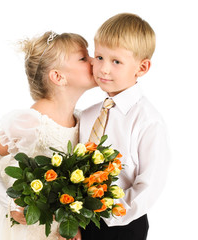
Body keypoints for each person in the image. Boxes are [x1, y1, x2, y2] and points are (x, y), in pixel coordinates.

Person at [0, 31, 96, 240]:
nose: (94, 61)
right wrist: (10, 203)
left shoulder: (79, 118)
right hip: (27, 227)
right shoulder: (32, 121)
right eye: (83, 58)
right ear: (58, 77)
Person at [79, 13, 170, 240]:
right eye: (99, 57)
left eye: (116, 61)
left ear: (142, 67)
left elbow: (149, 185)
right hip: (81, 220)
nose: (103, 69)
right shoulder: (88, 114)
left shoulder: (148, 120)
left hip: (123, 225)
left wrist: (109, 214)